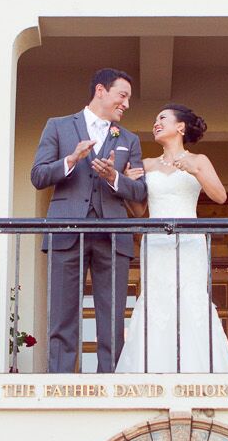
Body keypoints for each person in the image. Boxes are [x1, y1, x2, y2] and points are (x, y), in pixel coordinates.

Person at [29, 68, 148, 373]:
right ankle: (61, 383)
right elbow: (38, 176)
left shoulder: (130, 140)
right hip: (67, 231)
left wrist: (114, 178)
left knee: (112, 316)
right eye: (122, 95)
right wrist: (71, 160)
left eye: (129, 99)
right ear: (100, 91)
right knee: (63, 314)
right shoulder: (57, 127)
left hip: (113, 235)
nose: (126, 104)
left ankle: (111, 383)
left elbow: (140, 192)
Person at [117, 104, 228, 373]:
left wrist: (194, 171)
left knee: (190, 297)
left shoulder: (199, 160)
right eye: (155, 119)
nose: (155, 123)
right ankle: (152, 368)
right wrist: (127, 184)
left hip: (189, 242)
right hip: (156, 242)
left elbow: (220, 196)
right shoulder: (146, 165)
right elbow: (139, 211)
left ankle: (199, 369)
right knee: (156, 299)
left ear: (180, 127)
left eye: (162, 118)